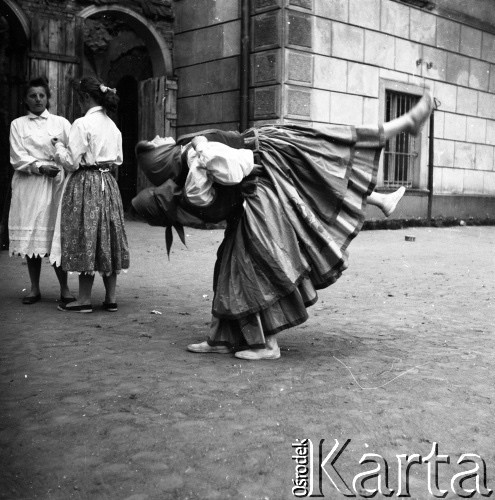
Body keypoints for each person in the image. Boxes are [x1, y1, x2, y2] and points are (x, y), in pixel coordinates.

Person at [132, 92, 435, 360]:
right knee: (325, 158)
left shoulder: (191, 160)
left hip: (267, 160)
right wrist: (205, 150)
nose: (159, 138)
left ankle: (257, 342)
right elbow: (236, 168)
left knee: (322, 167)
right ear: (162, 158)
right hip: (265, 163)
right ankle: (225, 338)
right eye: (155, 145)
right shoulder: (194, 158)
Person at [51, 76, 129, 313]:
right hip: (108, 182)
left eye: (79, 99)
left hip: (86, 182)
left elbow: (72, 163)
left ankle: (84, 299)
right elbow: (118, 159)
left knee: (87, 233)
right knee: (107, 235)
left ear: (85, 97)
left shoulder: (82, 124)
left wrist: (58, 148)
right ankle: (111, 298)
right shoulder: (113, 126)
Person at [8, 76, 74, 305]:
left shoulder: (61, 123)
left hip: (55, 184)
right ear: (26, 99)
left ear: (48, 98)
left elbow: (72, 152)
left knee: (56, 235)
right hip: (30, 184)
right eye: (32, 96)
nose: (37, 99)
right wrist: (39, 167)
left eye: (41, 95)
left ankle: (65, 289)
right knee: (32, 235)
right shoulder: (18, 124)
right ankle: (34, 288)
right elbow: (17, 157)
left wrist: (58, 161)